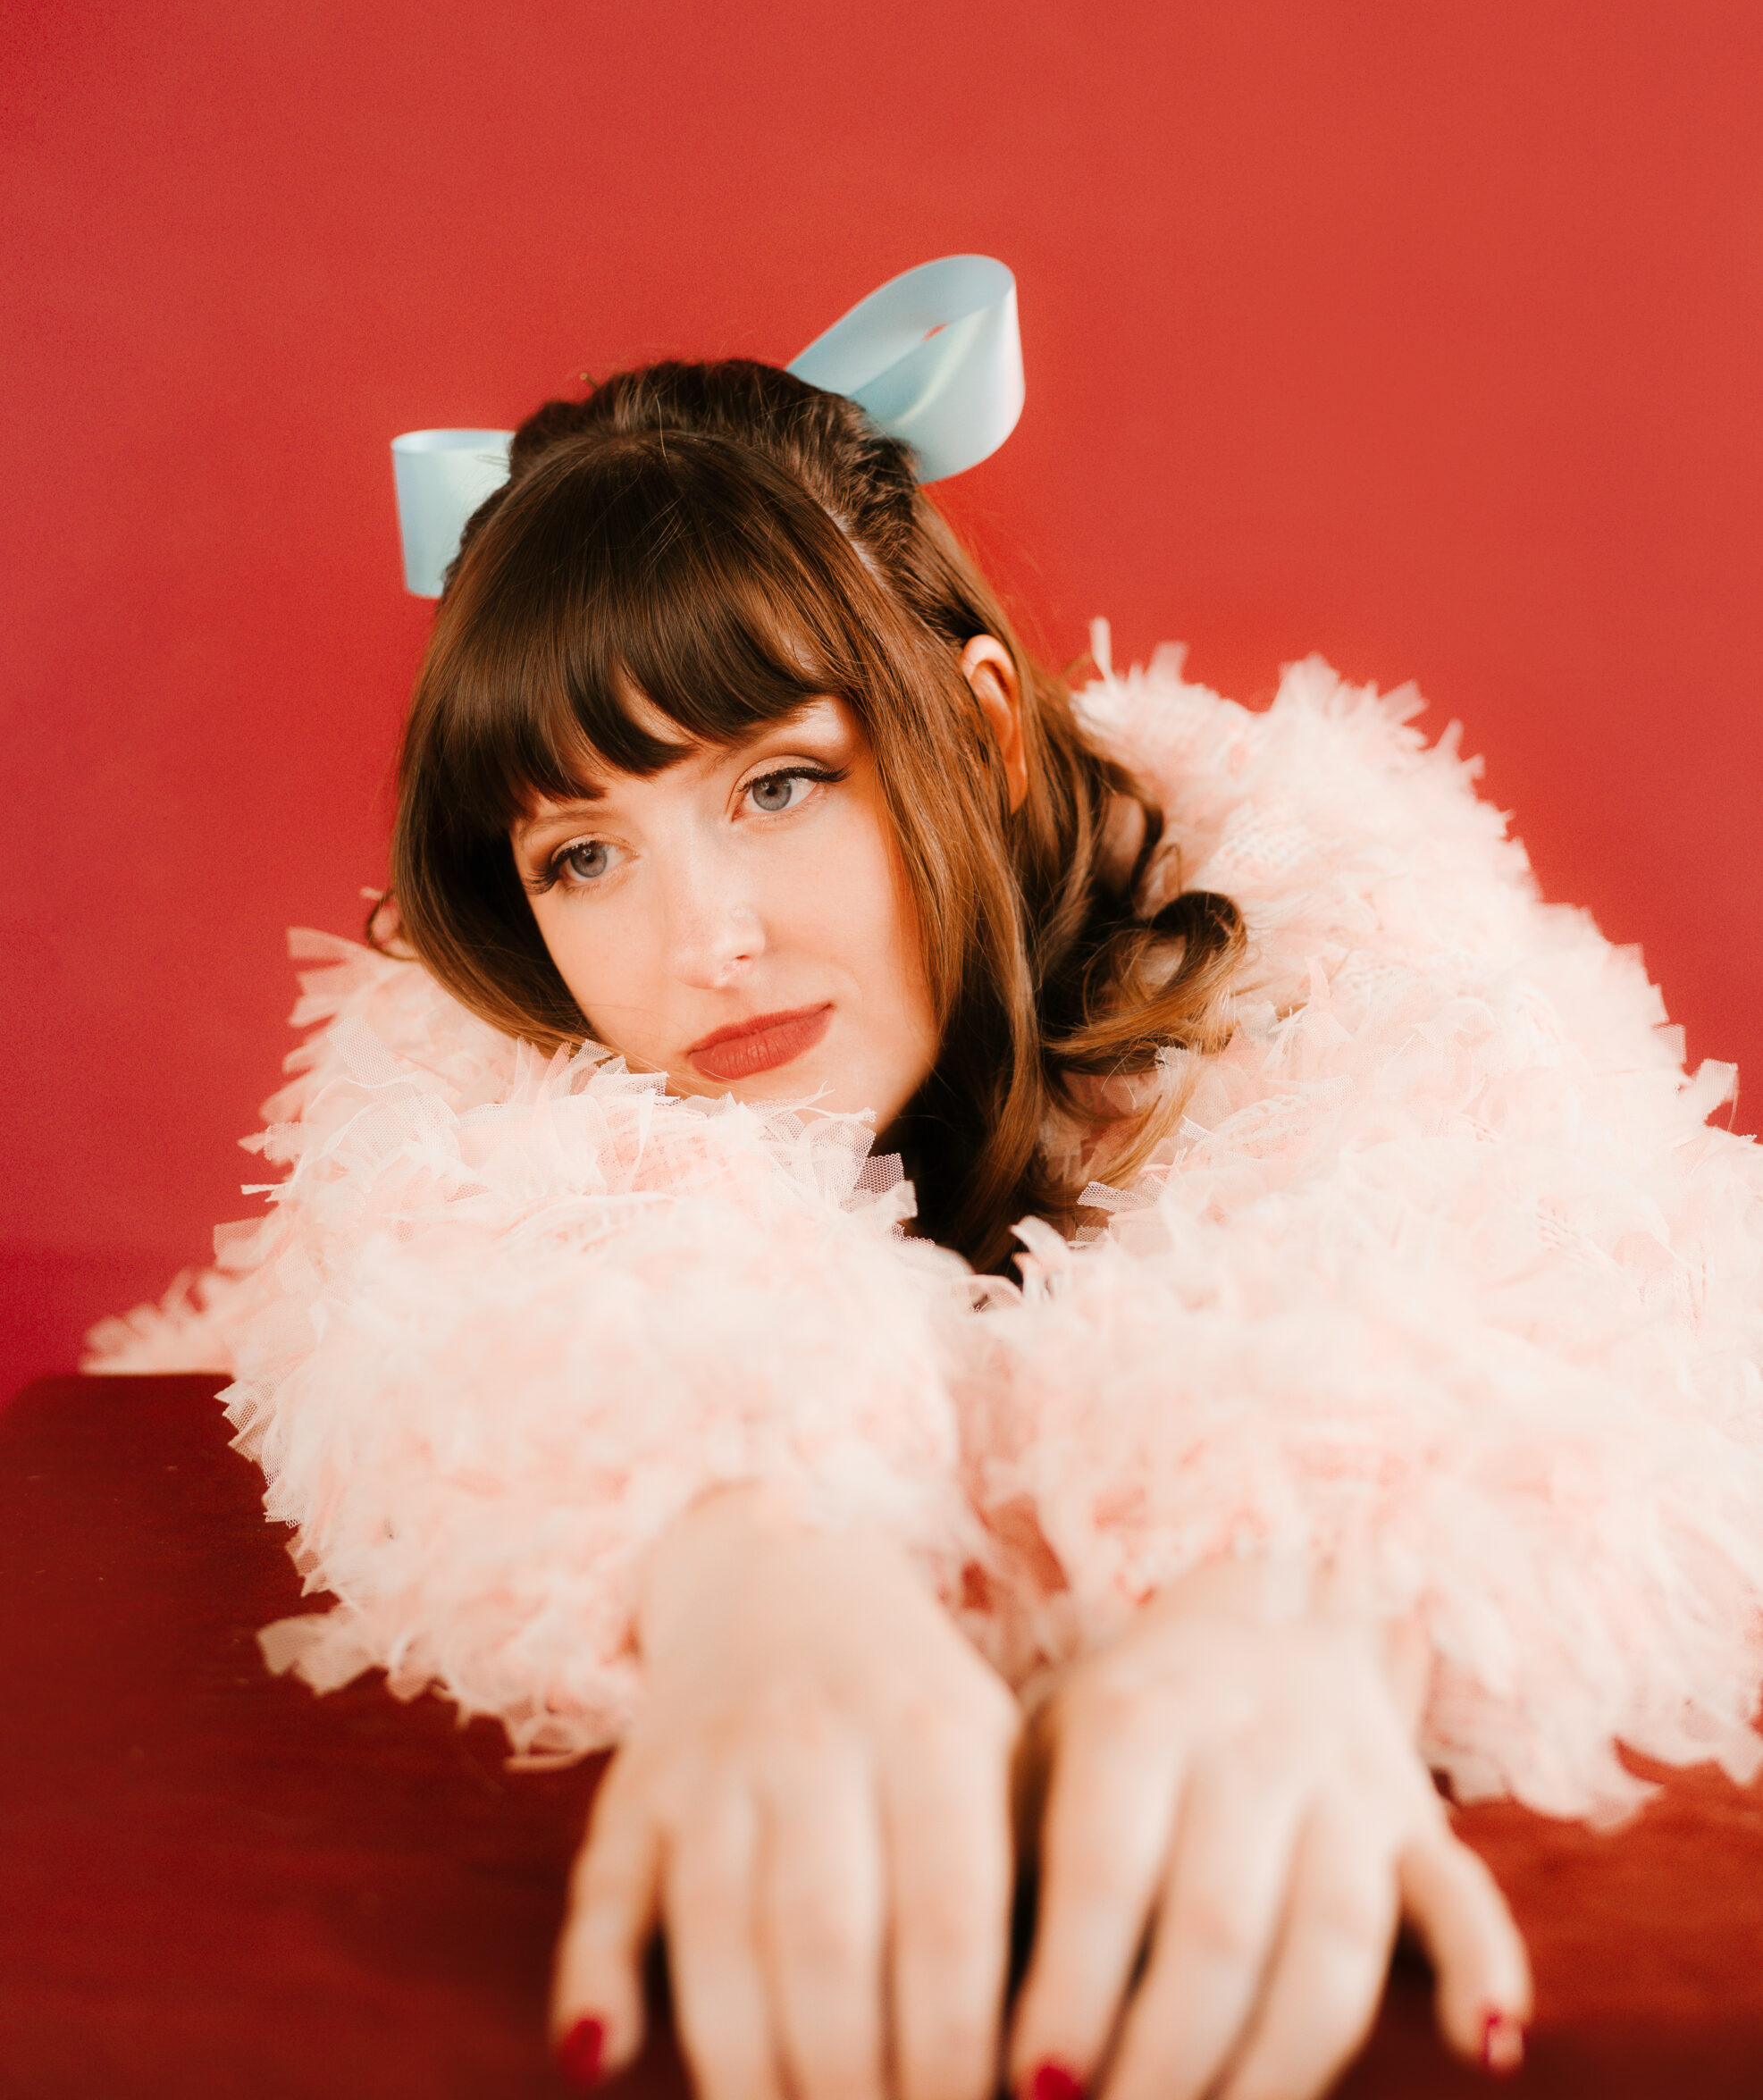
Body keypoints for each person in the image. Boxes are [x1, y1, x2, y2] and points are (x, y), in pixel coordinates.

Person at [91, 277, 1763, 2100]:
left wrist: (1298, 1589)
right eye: (584, 853)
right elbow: (471, 1298)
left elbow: (1531, 1240)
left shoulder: (1331, 960)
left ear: (978, 729)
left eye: (777, 786)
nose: (703, 943)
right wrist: (738, 1568)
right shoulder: (499, 1095)